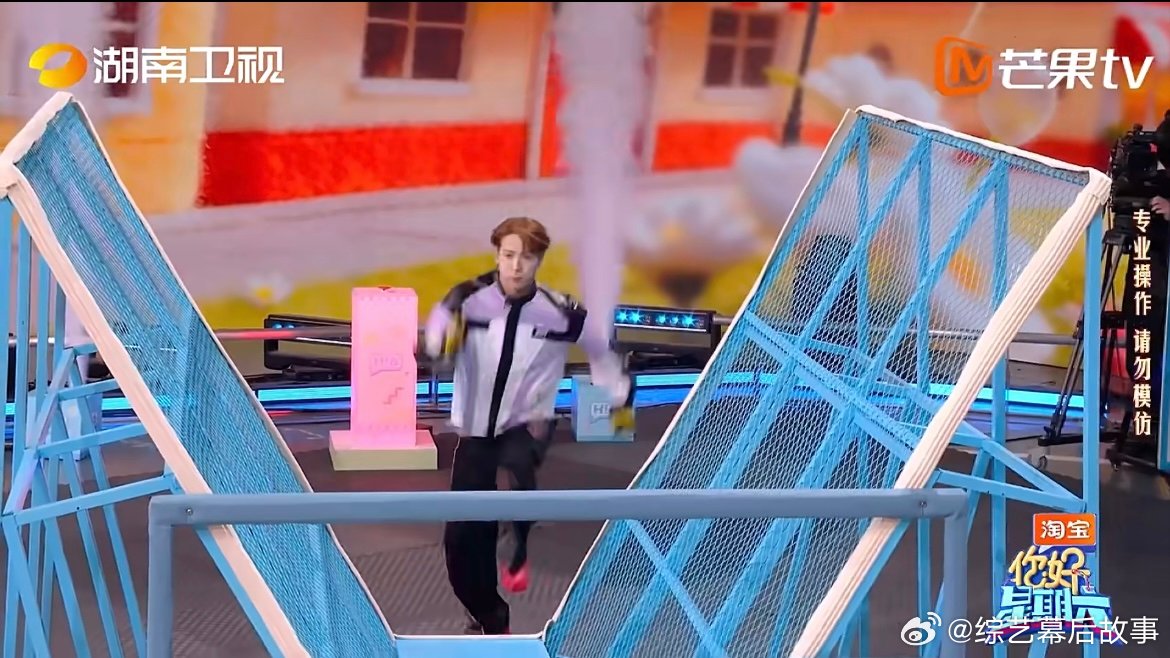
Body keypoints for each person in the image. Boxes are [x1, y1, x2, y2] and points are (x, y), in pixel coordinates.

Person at [423, 216, 634, 635]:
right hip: (475, 435)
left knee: (514, 484)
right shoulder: (468, 299)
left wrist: (617, 392)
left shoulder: (558, 310)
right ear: (497, 255)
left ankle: (515, 536)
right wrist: (437, 344)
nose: (516, 266)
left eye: (527, 257)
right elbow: (435, 334)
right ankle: (485, 610)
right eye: (509, 255)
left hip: (524, 431)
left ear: (539, 260)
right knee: (461, 539)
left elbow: (600, 345)